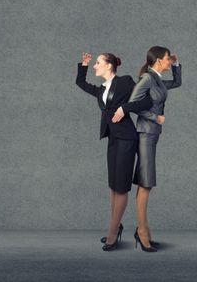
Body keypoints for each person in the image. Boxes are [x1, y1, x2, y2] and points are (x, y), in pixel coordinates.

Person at [75, 52, 152, 251]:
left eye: (98, 63)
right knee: (113, 186)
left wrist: (125, 108)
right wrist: (83, 64)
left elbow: (146, 101)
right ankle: (116, 226)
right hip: (113, 140)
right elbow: (80, 83)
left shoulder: (125, 82)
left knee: (121, 187)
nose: (95, 66)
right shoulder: (101, 89)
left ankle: (111, 231)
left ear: (109, 66)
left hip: (127, 139)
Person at [112, 46, 181, 252]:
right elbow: (133, 104)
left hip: (152, 134)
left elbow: (177, 82)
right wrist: (155, 117)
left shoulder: (157, 79)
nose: (170, 62)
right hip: (145, 134)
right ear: (158, 60)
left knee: (146, 182)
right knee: (145, 183)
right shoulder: (147, 79)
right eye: (168, 59)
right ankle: (142, 233)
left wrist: (177, 64)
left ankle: (144, 231)